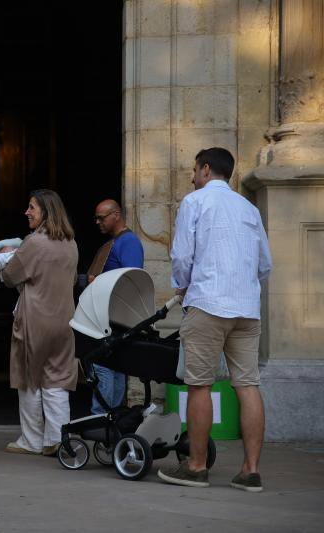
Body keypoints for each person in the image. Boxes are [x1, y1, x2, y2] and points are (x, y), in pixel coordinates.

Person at [158, 147, 272, 492]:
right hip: (246, 308)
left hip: (208, 303)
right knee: (247, 385)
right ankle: (250, 470)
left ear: (206, 170)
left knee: (200, 385)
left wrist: (184, 284)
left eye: (194, 170)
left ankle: (195, 466)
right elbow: (264, 264)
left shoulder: (195, 202)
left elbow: (181, 256)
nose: (193, 177)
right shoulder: (249, 208)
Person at [0, 189, 79, 456]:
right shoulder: (71, 243)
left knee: (29, 377)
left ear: (45, 211)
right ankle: (57, 438)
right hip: (65, 320)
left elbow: (10, 276)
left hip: (35, 318)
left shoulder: (34, 243)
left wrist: (11, 254)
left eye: (32, 207)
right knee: (57, 379)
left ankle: (31, 440)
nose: (27, 212)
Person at [87, 199, 144, 415]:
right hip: (109, 317)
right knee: (114, 368)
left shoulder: (128, 242)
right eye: (96, 218)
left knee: (104, 367)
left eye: (102, 218)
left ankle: (101, 420)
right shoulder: (117, 241)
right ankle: (111, 422)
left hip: (115, 319)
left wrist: (98, 282)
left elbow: (131, 281)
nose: (98, 222)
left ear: (116, 215)